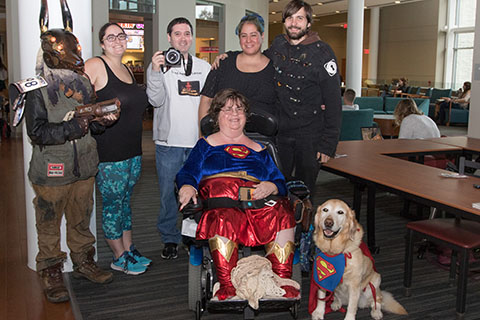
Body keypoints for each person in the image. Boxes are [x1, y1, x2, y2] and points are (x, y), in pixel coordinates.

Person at [24, 3, 113, 303]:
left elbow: (91, 126)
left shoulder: (84, 83)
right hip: (53, 169)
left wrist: (100, 122)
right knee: (48, 222)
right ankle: (51, 269)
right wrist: (72, 129)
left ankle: (83, 261)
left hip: (84, 166)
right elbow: (36, 133)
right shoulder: (36, 87)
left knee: (81, 218)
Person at [177, 88, 299, 301]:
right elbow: (188, 172)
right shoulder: (205, 145)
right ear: (216, 116)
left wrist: (271, 186)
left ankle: (280, 282)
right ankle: (227, 286)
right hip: (221, 204)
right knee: (224, 218)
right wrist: (187, 186)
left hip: (258, 203)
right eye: (228, 109)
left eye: (240, 109)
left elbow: (280, 180)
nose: (234, 114)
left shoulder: (261, 149)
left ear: (246, 116)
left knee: (282, 213)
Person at [84, 22, 151, 275]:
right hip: (109, 153)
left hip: (132, 151)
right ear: (102, 43)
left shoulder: (126, 69)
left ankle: (129, 248)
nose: (117, 40)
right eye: (110, 37)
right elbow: (79, 105)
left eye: (121, 36)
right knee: (113, 205)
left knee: (125, 203)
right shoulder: (95, 65)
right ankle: (118, 256)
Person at [146, 17, 211, 260]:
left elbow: (210, 102)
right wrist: (154, 71)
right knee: (168, 194)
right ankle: (169, 238)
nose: (182, 38)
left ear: (191, 37)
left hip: (196, 143)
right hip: (168, 143)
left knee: (198, 193)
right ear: (169, 38)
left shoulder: (203, 67)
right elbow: (155, 100)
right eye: (177, 34)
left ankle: (194, 235)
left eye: (186, 33)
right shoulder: (161, 67)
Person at [269, 0, 342, 194]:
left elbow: (334, 102)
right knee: (276, 188)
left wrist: (328, 145)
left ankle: (303, 225)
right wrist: (230, 57)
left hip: (310, 136)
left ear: (308, 23)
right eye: (290, 18)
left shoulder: (323, 53)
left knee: (304, 192)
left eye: (299, 18)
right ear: (284, 21)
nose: (294, 23)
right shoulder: (277, 45)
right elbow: (257, 61)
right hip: (280, 134)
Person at [198, 13, 276, 122]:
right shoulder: (224, 63)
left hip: (264, 136)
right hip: (225, 135)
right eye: (244, 35)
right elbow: (206, 100)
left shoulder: (274, 68)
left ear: (262, 35)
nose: (248, 40)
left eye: (253, 35)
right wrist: (203, 135)